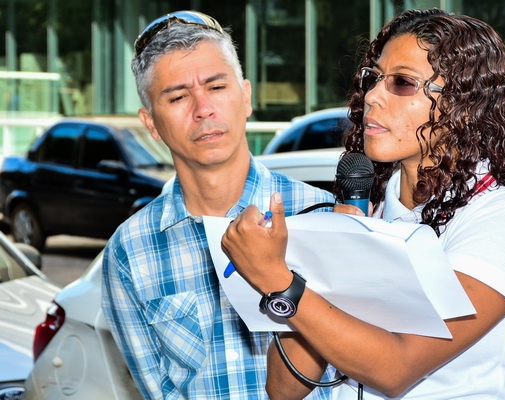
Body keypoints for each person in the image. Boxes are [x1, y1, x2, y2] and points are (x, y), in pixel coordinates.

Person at [221, 8, 505, 399]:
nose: (372, 96)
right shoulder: (371, 212)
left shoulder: (502, 218)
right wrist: (324, 265)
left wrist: (278, 281)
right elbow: (285, 389)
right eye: (373, 78)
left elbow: (396, 369)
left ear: (464, 106)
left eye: (402, 82)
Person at [101, 11, 337, 399]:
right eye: (178, 97)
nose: (203, 109)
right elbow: (159, 392)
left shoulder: (321, 215)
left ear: (246, 96)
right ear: (151, 123)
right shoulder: (130, 250)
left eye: (216, 87)